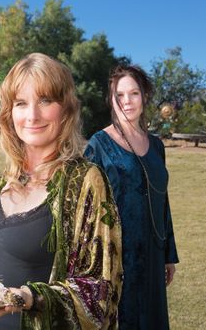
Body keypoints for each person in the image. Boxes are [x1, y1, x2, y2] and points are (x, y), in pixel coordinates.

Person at [0, 53, 123, 330]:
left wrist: (26, 298)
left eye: (45, 100)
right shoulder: (12, 176)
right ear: (10, 113)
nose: (32, 115)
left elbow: (101, 289)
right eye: (21, 103)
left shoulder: (84, 181)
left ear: (66, 108)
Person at [84, 65, 179, 329]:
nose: (127, 101)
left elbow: (162, 201)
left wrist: (169, 254)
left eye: (134, 93)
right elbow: (88, 210)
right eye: (119, 95)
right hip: (117, 258)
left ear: (144, 96)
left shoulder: (157, 145)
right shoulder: (98, 144)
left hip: (153, 252)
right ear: (111, 99)